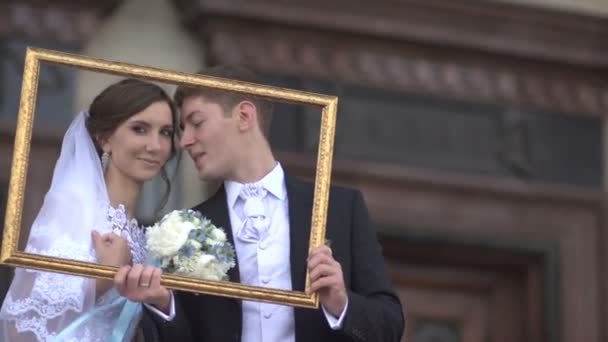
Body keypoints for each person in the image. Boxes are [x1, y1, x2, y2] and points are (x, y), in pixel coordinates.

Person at [114, 65, 405, 341]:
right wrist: (164, 305)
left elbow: (389, 327)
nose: (185, 141)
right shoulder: (185, 228)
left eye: (197, 123)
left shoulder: (340, 208)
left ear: (244, 116)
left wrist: (341, 304)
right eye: (182, 130)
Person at [0, 78, 179, 342]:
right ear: (105, 138)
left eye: (165, 132)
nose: (156, 146)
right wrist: (105, 276)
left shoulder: (141, 233)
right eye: (140, 129)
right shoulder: (71, 205)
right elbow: (23, 319)